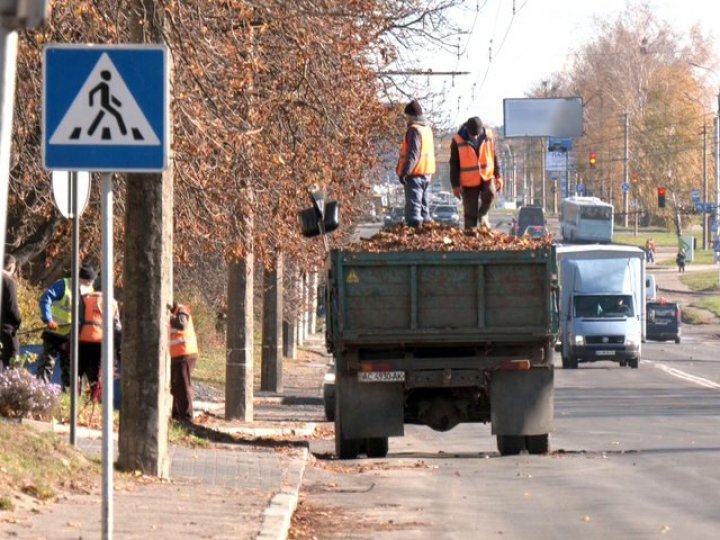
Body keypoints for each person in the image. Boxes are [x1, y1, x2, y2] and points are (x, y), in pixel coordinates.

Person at [36, 264, 96, 389]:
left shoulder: (90, 290)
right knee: (47, 365)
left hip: (72, 336)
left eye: (90, 282)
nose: (88, 284)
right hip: (54, 332)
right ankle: (39, 392)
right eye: (86, 281)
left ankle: (69, 397)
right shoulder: (63, 284)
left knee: (71, 369)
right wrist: (48, 319)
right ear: (79, 278)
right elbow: (46, 299)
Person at [449, 117, 503, 229]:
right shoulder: (457, 140)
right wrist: (455, 185)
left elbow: (495, 156)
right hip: (468, 182)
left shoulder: (489, 136)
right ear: (467, 131)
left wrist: (498, 176)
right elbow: (453, 165)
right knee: (470, 213)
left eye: (477, 134)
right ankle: (470, 237)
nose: (475, 137)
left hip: (486, 176)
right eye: (472, 135)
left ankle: (483, 214)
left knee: (490, 193)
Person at [396, 99, 436, 227]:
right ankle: (427, 236)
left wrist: (404, 173)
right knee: (425, 210)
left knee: (413, 212)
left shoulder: (413, 130)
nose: (406, 120)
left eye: (407, 117)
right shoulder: (427, 129)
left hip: (414, 174)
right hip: (427, 173)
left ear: (411, 117)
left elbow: (413, 154)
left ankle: (414, 238)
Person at [78, 289, 121, 401]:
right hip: (100, 341)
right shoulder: (112, 302)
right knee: (96, 372)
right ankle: (95, 397)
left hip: (83, 339)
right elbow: (116, 327)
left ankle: (75, 396)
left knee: (78, 369)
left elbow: (79, 319)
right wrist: (118, 347)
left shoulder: (84, 298)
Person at [169, 302, 199, 423]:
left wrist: (168, 317)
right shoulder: (174, 314)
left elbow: (182, 325)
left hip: (185, 354)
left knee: (183, 386)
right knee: (176, 387)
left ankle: (187, 417)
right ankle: (176, 415)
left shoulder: (182, 310)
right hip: (177, 355)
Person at [1, 254, 22, 370]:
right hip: (6, 331)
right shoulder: (8, 282)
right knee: (13, 362)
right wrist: (18, 321)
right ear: (11, 267)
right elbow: (12, 307)